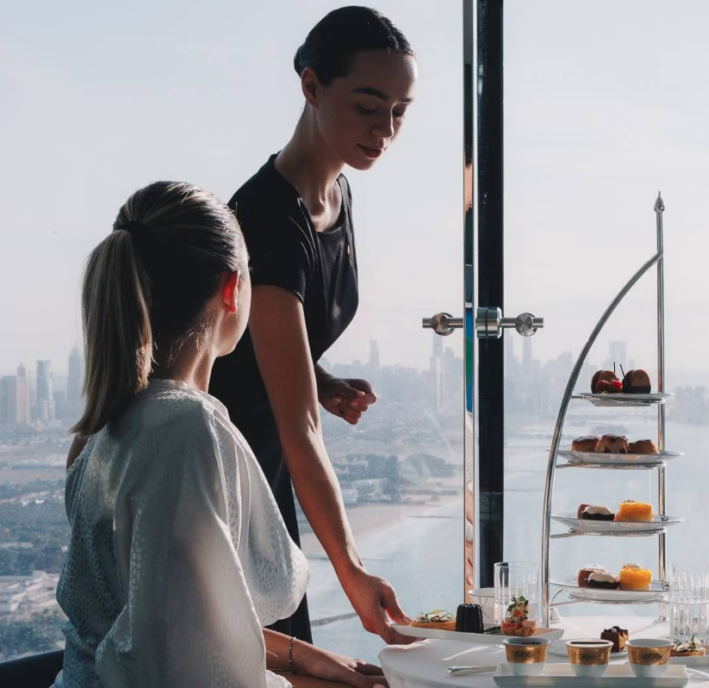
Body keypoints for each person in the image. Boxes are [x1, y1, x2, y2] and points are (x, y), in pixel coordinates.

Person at [54, 182, 388, 688]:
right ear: (234, 289)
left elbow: (168, 620)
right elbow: (184, 672)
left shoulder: (105, 430)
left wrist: (307, 658)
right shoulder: (186, 432)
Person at [209, 6, 417, 645]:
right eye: (367, 105)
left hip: (265, 462)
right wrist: (351, 569)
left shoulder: (335, 193)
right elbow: (298, 426)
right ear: (310, 86)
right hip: (223, 474)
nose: (384, 129)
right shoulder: (270, 218)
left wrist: (318, 378)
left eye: (400, 111)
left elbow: (263, 335)